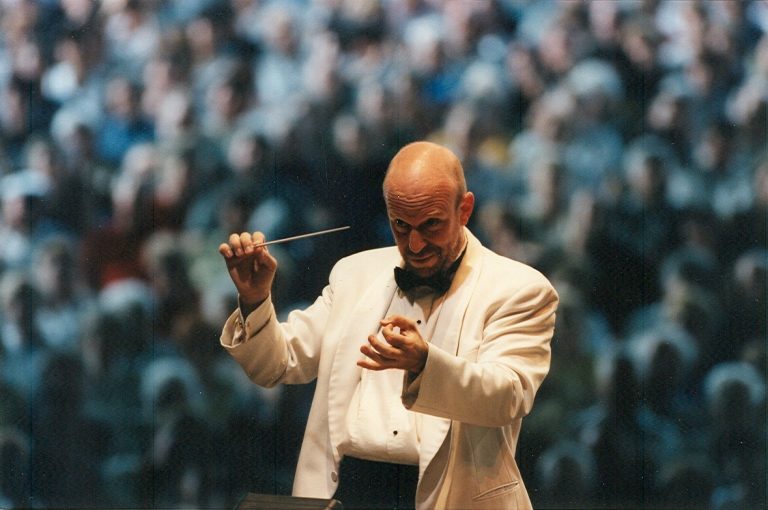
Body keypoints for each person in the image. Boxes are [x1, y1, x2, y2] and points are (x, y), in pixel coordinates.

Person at [218, 141, 559, 509]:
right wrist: (255, 301)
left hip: (451, 496)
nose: (414, 245)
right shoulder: (353, 274)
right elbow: (278, 364)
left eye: (431, 225)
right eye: (400, 225)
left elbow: (508, 395)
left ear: (464, 209)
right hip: (346, 493)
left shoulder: (519, 288)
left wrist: (425, 363)